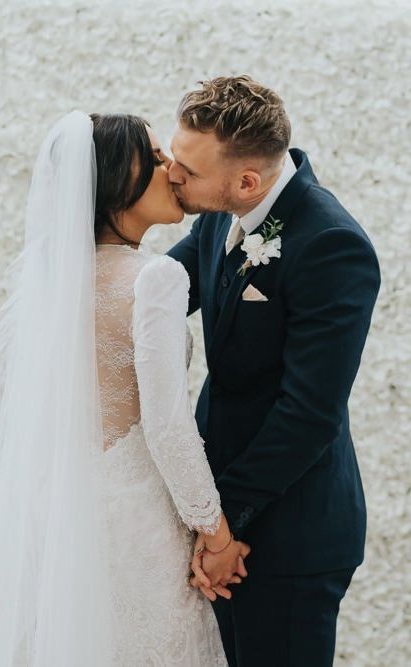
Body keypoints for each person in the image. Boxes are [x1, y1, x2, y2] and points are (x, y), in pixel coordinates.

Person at [0, 111, 249, 665]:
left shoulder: (53, 282)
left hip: (60, 512)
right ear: (116, 184)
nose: (171, 170)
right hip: (136, 523)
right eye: (155, 159)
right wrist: (217, 533)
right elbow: (166, 426)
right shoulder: (154, 277)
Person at [167, 76, 381, 666]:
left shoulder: (332, 245)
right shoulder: (217, 213)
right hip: (219, 519)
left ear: (246, 181)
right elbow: (159, 292)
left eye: (187, 168)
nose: (173, 175)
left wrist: (223, 526)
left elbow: (309, 413)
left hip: (292, 534)